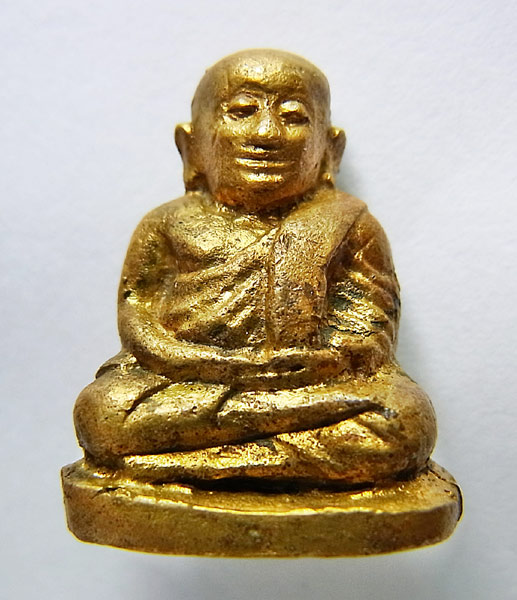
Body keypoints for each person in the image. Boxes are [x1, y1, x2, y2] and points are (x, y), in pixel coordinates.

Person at [74, 49, 436, 487]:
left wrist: (332, 358)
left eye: (294, 117)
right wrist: (206, 364)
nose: (267, 133)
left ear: (330, 149)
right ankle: (273, 457)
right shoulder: (166, 223)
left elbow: (373, 320)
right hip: (191, 382)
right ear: (191, 145)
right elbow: (137, 318)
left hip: (308, 385)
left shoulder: (350, 225)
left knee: (404, 420)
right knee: (104, 412)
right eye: (242, 111)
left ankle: (194, 464)